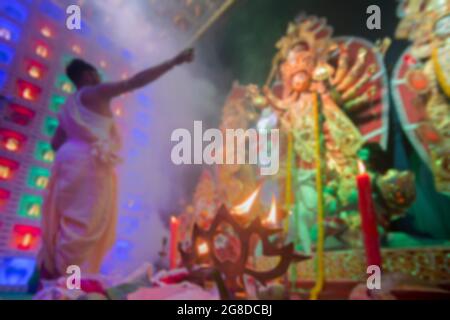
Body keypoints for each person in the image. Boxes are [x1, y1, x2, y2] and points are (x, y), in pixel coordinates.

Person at [38, 48, 194, 279]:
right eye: (96, 73)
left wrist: (78, 141)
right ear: (88, 75)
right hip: (89, 165)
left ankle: (61, 282)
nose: (100, 77)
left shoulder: (69, 105)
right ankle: (69, 287)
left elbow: (55, 143)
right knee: (84, 227)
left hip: (68, 162)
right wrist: (172, 62)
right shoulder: (95, 92)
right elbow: (134, 82)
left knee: (68, 225)